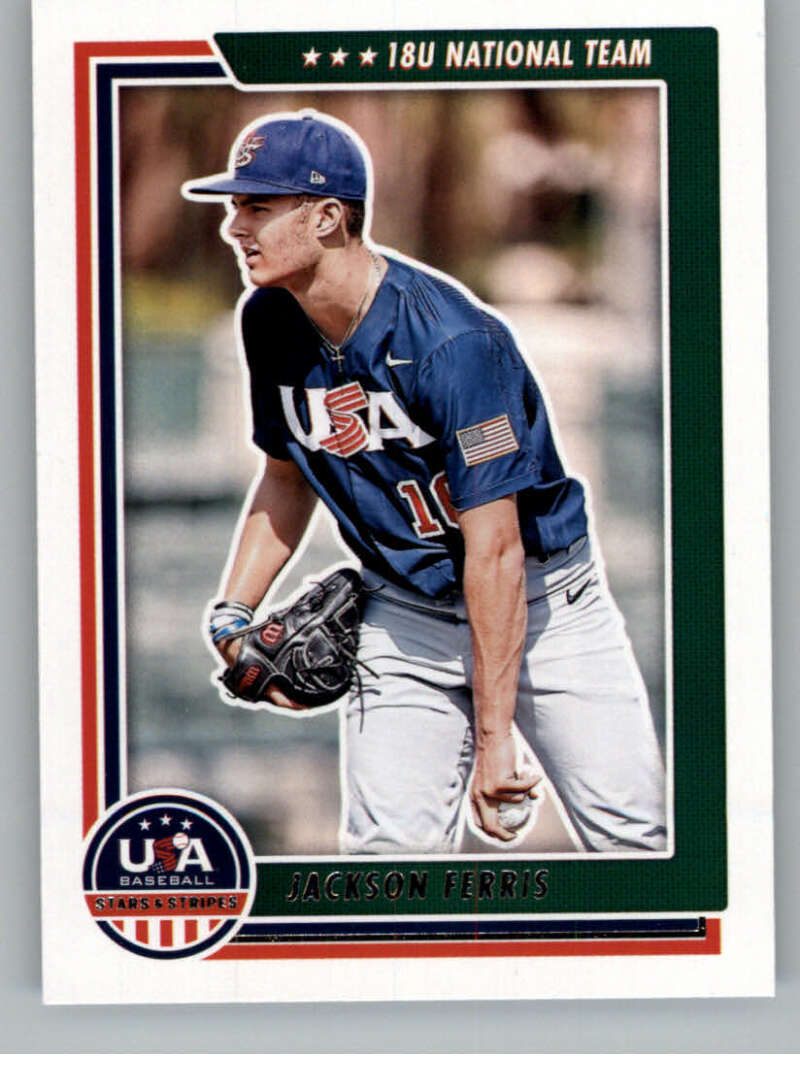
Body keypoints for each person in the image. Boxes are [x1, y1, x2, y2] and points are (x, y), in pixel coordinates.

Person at [183, 109, 666, 854]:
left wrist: (496, 741)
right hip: (403, 612)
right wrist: (231, 614)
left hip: (543, 608)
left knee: (637, 843)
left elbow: (497, 552)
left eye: (258, 206)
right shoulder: (269, 320)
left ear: (327, 217)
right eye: (234, 206)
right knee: (387, 864)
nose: (234, 227)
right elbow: (285, 475)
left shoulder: (454, 342)